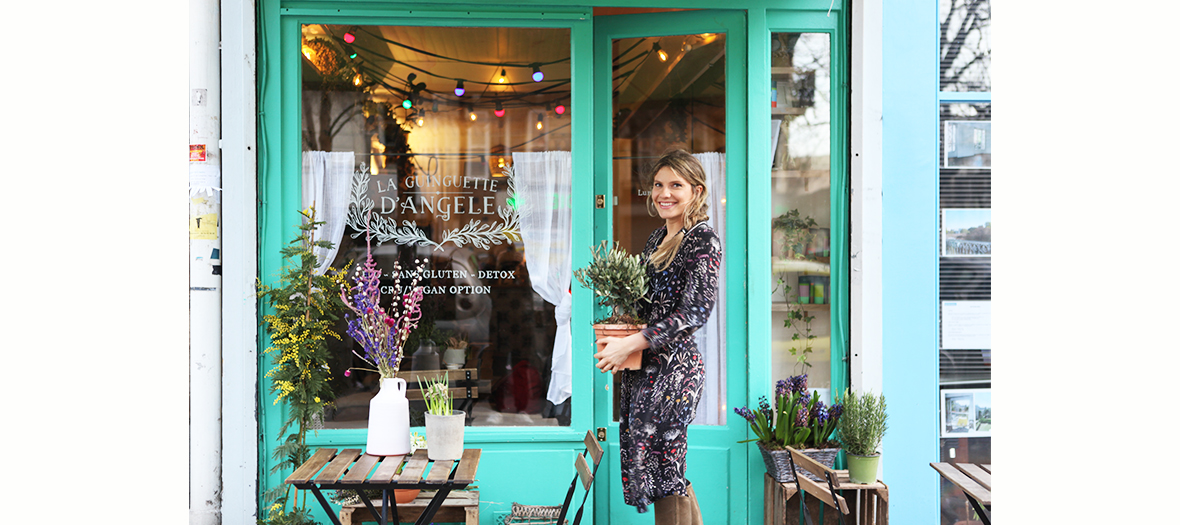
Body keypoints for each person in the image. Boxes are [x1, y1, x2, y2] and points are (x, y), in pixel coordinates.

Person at [593, 149, 722, 524]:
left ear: (696, 191)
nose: (664, 193)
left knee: (667, 470)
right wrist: (618, 328)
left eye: (675, 185)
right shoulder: (656, 239)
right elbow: (646, 306)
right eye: (658, 185)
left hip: (674, 372)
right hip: (645, 370)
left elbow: (694, 313)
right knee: (662, 469)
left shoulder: (703, 241)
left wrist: (629, 344)